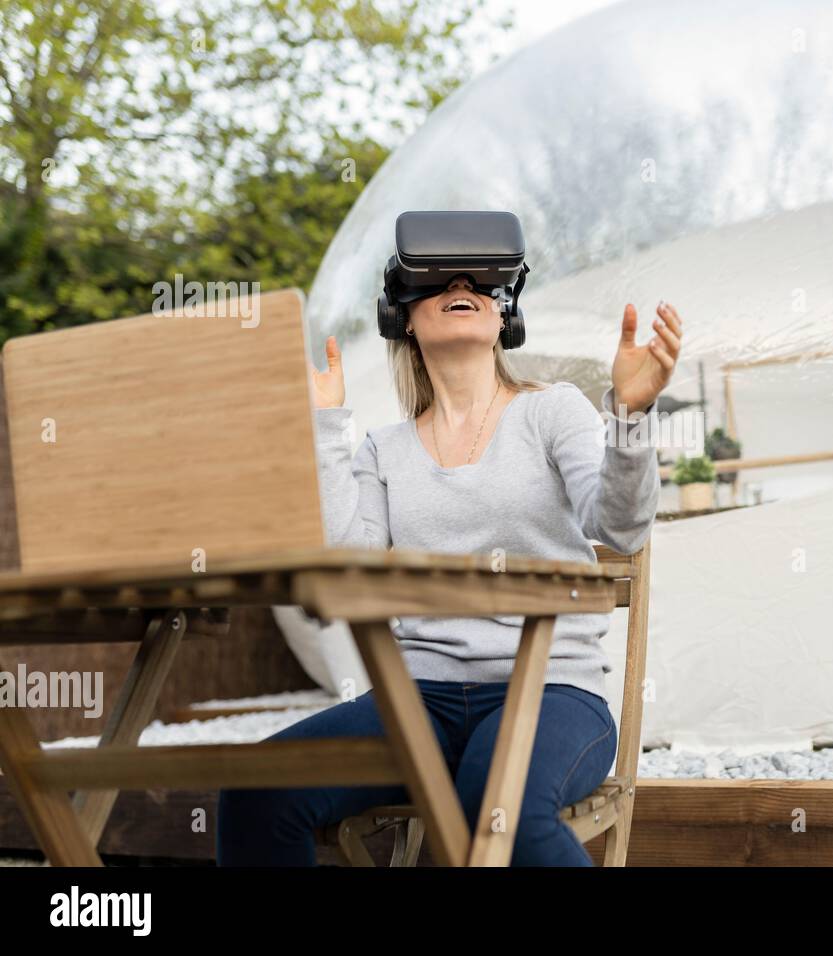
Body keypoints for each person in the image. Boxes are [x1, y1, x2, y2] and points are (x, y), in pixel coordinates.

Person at [216, 273, 683, 866]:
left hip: (551, 692)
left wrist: (630, 417)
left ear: (503, 310)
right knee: (257, 789)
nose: (462, 283)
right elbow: (348, 566)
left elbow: (619, 528)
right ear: (403, 315)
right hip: (418, 701)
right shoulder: (384, 449)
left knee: (493, 803)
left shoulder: (552, 410)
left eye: (482, 277)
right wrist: (326, 426)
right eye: (436, 276)